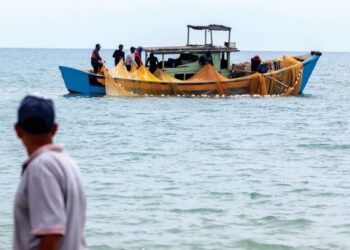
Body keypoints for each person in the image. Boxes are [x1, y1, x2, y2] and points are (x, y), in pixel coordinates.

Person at [13, 94, 86, 250]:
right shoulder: (69, 164)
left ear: (18, 130)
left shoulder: (41, 168)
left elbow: (51, 233)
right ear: (54, 129)